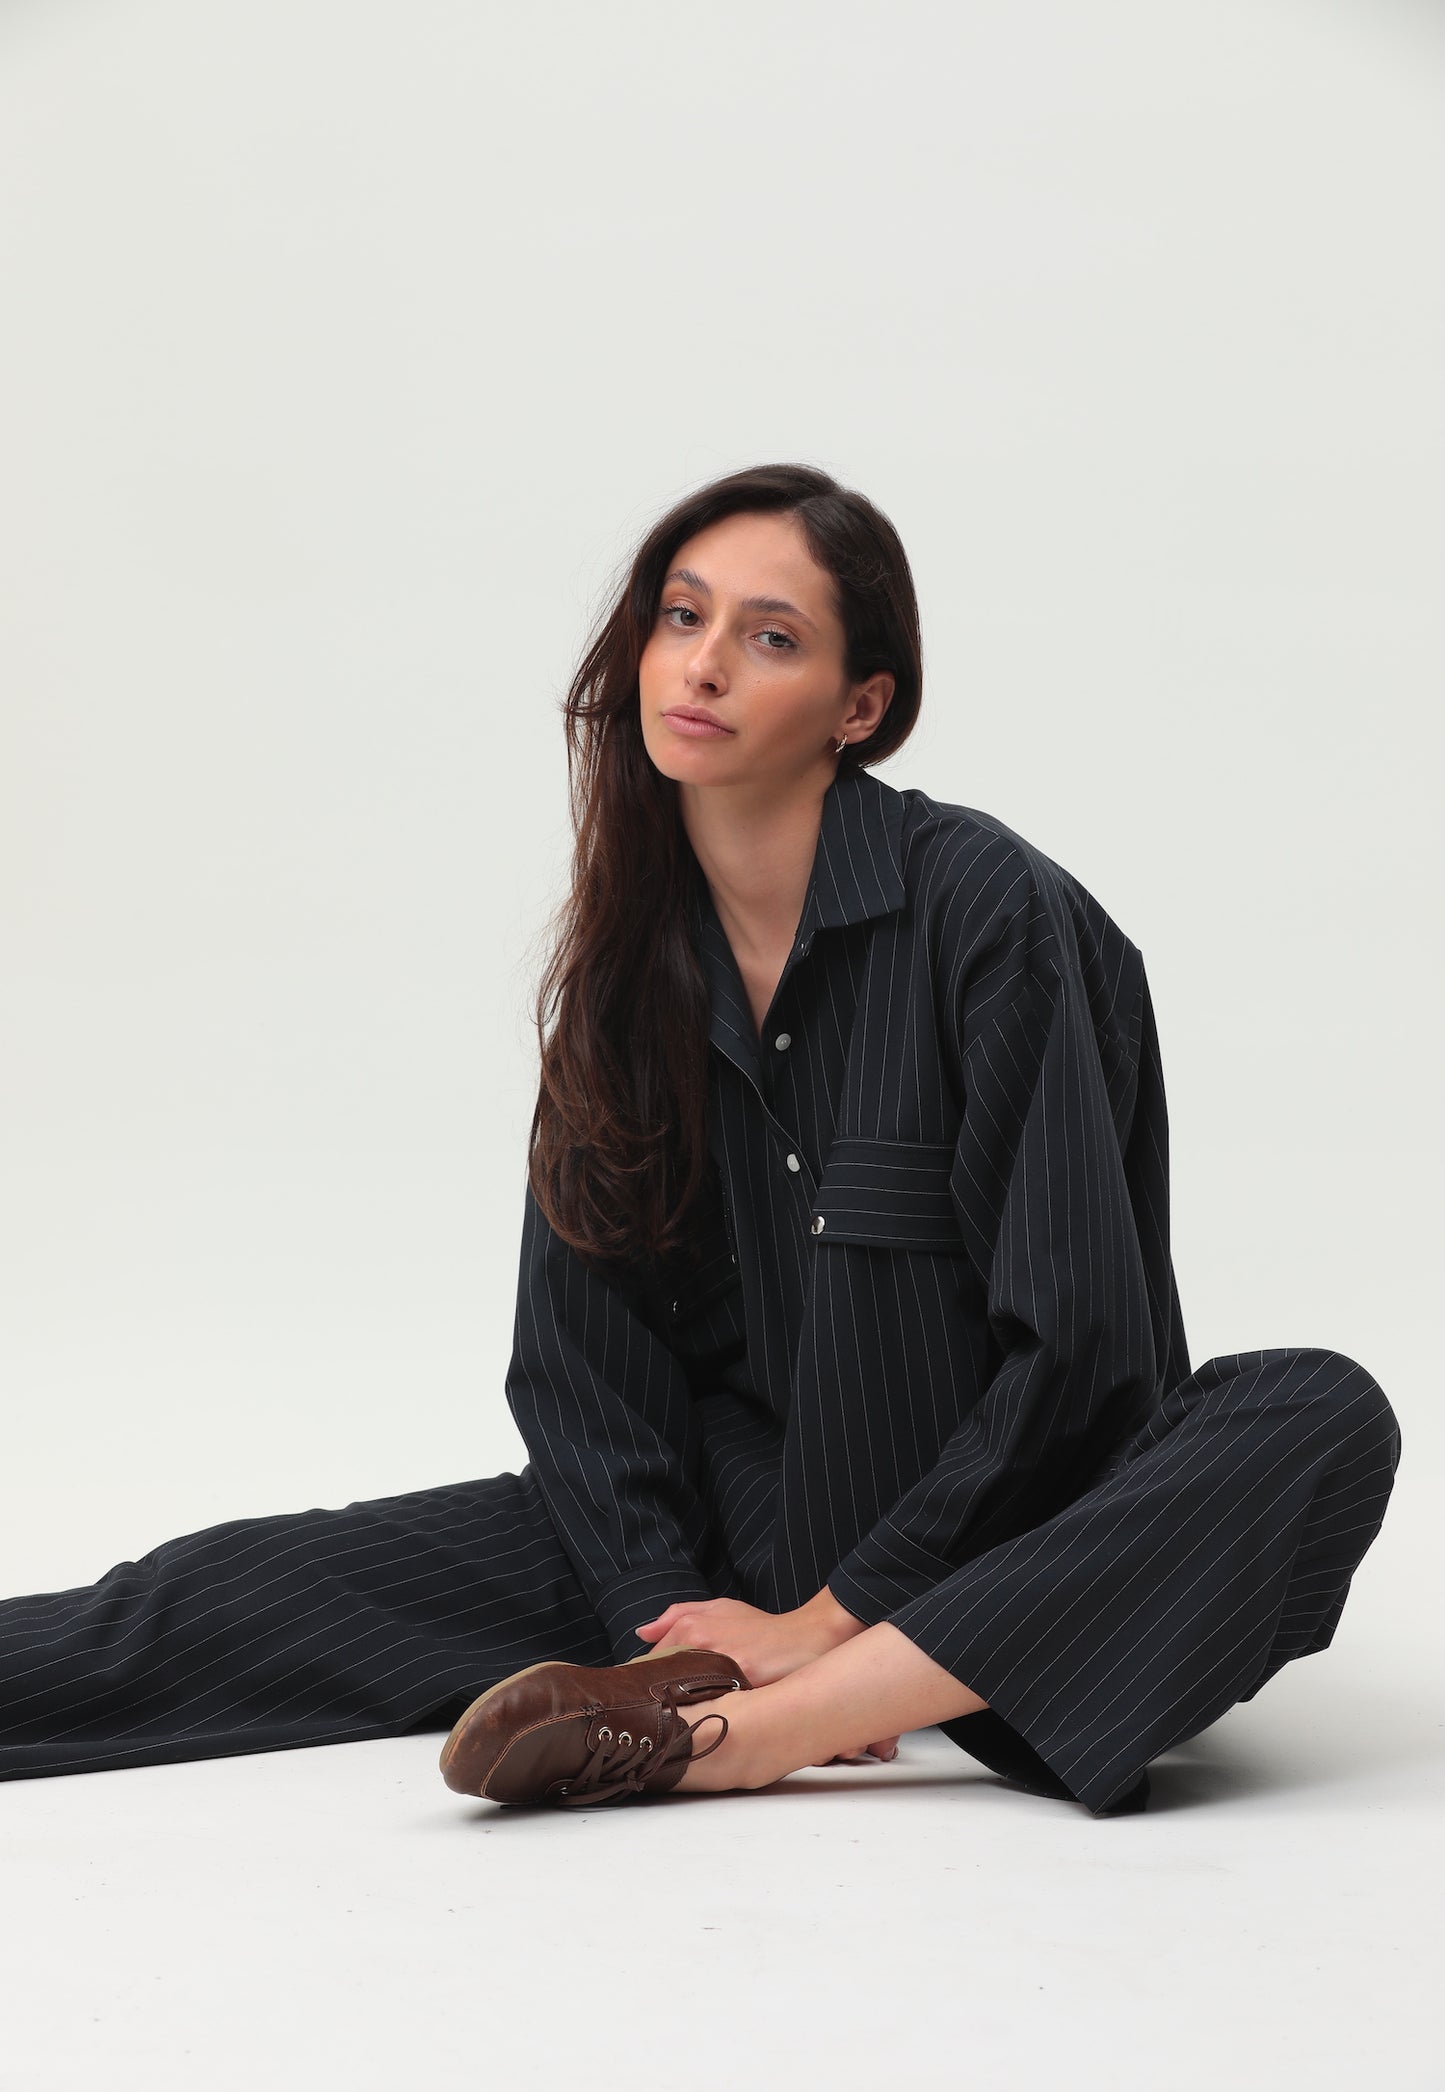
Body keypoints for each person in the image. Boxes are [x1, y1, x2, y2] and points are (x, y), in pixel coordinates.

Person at [0, 464, 1401, 1819]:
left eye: (769, 636)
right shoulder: (629, 972)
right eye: (682, 615)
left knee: (1317, 1411)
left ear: (860, 706)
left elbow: (1082, 1353)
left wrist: (833, 1619)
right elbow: (583, 1366)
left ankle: (761, 1733)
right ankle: (689, 1702)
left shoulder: (984, 912)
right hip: (733, 1559)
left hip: (1013, 1566)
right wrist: (660, 1621)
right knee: (214, 1599)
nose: (705, 663)